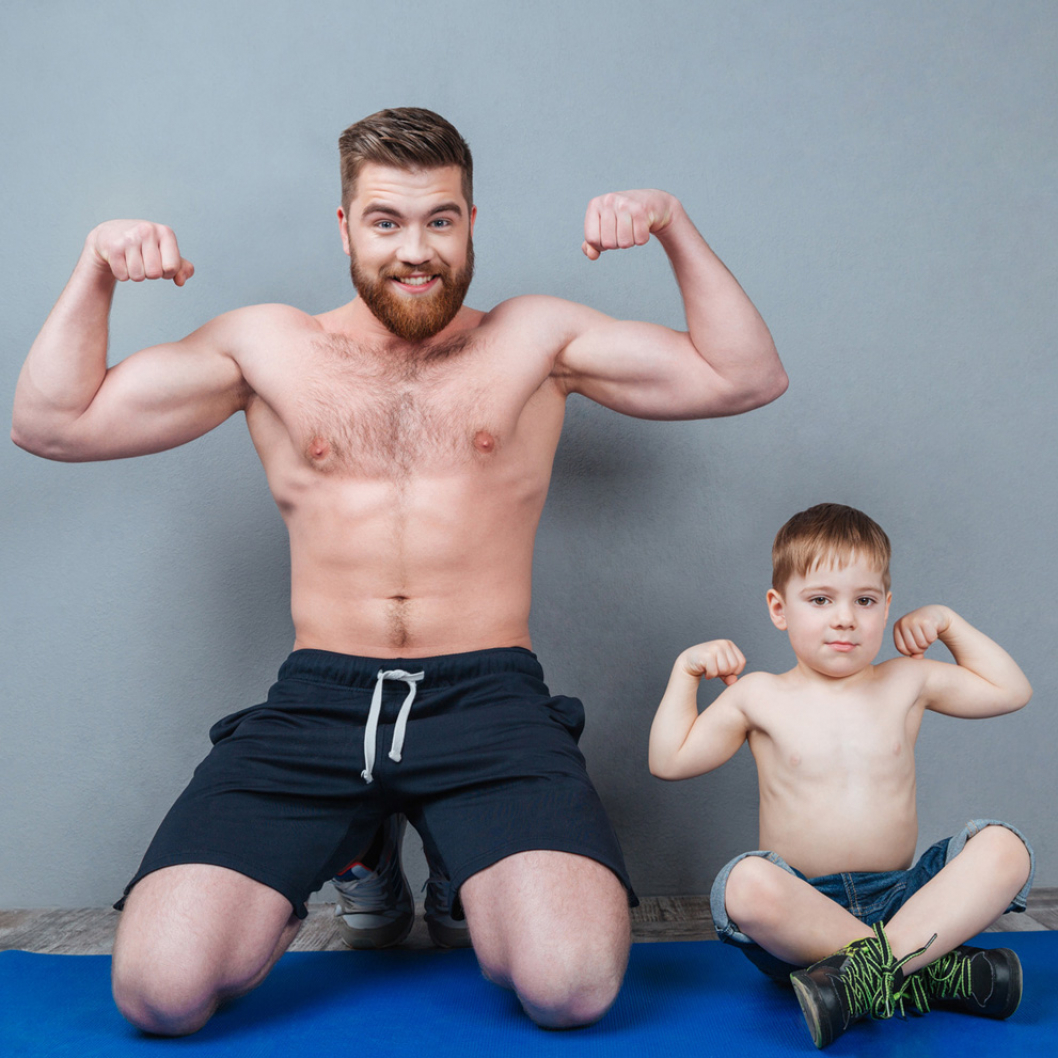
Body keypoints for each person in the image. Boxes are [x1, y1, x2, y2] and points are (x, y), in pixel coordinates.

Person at [12, 107, 787, 1037]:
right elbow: (52, 424)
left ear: (470, 220)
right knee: (159, 994)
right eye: (386, 221)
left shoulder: (535, 340)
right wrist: (97, 266)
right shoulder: (268, 347)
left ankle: (461, 862)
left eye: (440, 220)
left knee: (570, 986)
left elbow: (744, 375)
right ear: (344, 225)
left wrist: (670, 222)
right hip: (319, 703)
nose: (415, 250)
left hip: (488, 700)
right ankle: (365, 842)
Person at [649, 503, 1034, 1049]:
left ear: (887, 606)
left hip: (905, 899)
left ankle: (861, 977)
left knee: (1004, 846)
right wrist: (684, 674)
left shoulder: (908, 680)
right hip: (802, 915)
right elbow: (669, 760)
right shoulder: (758, 694)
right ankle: (922, 969)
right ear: (779, 609)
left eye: (865, 601)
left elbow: (1011, 690)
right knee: (743, 883)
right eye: (821, 600)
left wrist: (949, 622)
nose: (845, 618)